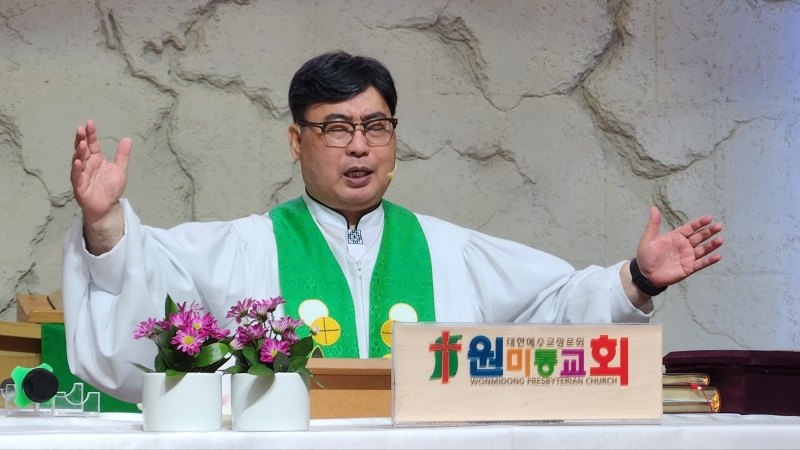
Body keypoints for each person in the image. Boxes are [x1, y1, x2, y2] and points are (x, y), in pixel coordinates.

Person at [62, 51, 723, 403]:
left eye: (375, 127)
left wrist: (637, 281)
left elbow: (553, 307)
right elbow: (142, 296)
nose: (360, 146)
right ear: (296, 141)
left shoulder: (448, 251)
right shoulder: (242, 249)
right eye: (337, 128)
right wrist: (105, 220)